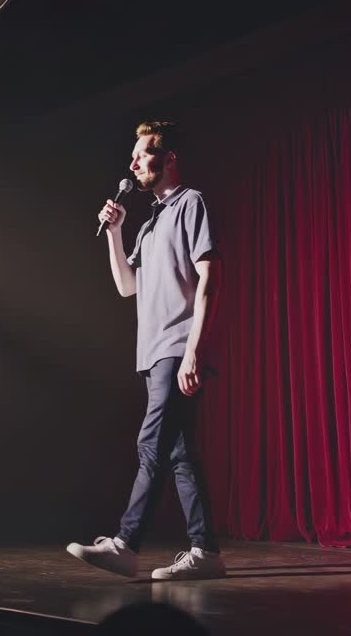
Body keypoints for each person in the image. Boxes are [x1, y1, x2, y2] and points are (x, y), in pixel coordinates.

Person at [66, 120, 226, 581]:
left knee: (151, 443)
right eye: (132, 157)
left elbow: (210, 278)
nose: (133, 162)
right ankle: (207, 554)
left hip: (177, 346)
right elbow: (126, 286)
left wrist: (194, 348)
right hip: (153, 351)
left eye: (143, 153)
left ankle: (126, 544)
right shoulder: (151, 220)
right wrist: (116, 233)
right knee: (179, 455)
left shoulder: (189, 203)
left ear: (169, 157)